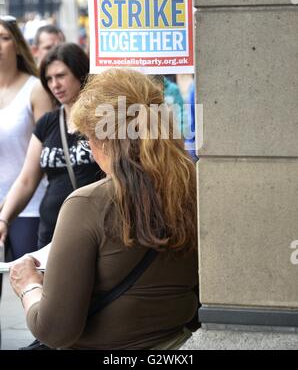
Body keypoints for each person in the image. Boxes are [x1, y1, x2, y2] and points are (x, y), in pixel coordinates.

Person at [9, 68, 198, 350]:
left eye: (87, 138)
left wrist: (29, 285)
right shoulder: (195, 186)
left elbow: (54, 331)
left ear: (102, 140)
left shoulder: (87, 204)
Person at [0, 43, 103, 251]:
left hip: (95, 229)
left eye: (61, 76)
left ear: (80, 73)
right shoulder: (48, 122)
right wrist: (4, 219)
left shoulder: (101, 117)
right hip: (51, 232)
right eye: (49, 79)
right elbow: (27, 180)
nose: (55, 84)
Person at [0, 15, 53, 258]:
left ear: (18, 45)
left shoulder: (36, 89)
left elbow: (47, 149)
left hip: (28, 206)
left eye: (4, 38)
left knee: (31, 283)